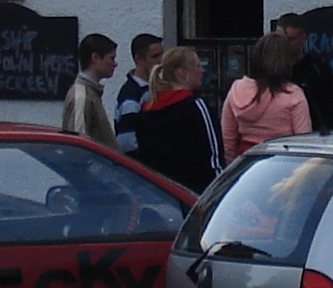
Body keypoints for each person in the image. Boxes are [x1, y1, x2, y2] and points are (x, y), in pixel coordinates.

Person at [129, 44, 222, 192]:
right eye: (197, 66)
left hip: (160, 194)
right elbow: (213, 157)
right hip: (195, 195)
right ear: (181, 73)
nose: (202, 71)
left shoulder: (147, 109)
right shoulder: (196, 106)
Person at [220, 30, 315, 158]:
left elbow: (227, 140)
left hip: (246, 163)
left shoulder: (237, 89)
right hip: (282, 163)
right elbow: (303, 144)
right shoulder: (293, 94)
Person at [272, 11, 333, 133]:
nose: (284, 45)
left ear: (303, 39)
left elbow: (332, 112)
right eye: (280, 39)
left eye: (291, 39)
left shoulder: (317, 69)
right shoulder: (268, 68)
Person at [59, 33, 119, 148]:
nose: (115, 64)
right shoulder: (82, 96)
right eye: (111, 58)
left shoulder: (89, 92)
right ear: (95, 58)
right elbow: (78, 148)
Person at [114, 33, 162, 132]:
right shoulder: (131, 95)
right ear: (138, 59)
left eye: (162, 55)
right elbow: (127, 141)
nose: (160, 61)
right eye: (155, 56)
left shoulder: (158, 87)